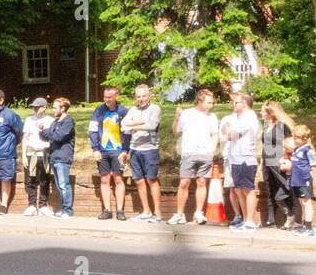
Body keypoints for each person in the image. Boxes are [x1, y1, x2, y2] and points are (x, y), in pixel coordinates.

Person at [169, 88, 219, 225]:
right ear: (200, 101)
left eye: (212, 103)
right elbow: (175, 131)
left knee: (202, 182)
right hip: (188, 153)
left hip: (205, 154)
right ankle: (179, 214)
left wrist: (212, 151)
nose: (211, 105)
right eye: (208, 102)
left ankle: (199, 212)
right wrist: (176, 117)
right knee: (184, 183)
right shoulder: (187, 114)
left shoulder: (212, 117)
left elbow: (215, 135)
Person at [121, 84, 162, 221]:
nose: (141, 99)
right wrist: (141, 122)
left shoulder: (155, 108)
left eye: (144, 96)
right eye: (138, 96)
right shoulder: (133, 109)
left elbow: (152, 126)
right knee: (138, 180)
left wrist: (132, 125)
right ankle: (146, 211)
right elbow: (123, 124)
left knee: (151, 179)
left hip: (150, 148)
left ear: (149, 95)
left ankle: (157, 213)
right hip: (134, 148)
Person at [220, 92, 260, 231]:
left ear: (244, 103)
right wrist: (227, 129)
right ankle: (245, 220)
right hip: (235, 158)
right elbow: (226, 135)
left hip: (245, 159)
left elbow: (229, 134)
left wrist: (228, 128)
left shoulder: (249, 118)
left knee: (247, 190)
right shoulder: (239, 118)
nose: (233, 104)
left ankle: (250, 222)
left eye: (236, 102)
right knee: (239, 190)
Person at [89, 87, 129, 220]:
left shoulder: (123, 111)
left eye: (109, 97)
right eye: (105, 97)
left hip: (118, 151)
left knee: (118, 179)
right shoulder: (99, 110)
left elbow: (128, 132)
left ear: (116, 96)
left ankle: (120, 211)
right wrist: (95, 149)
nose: (107, 100)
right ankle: (106, 210)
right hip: (103, 150)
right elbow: (93, 130)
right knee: (104, 180)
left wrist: (125, 150)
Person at [260, 101, 294, 228]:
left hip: (277, 161)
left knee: (282, 186)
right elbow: (265, 145)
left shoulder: (281, 126)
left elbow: (288, 144)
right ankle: (271, 219)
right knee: (270, 189)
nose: (261, 113)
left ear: (271, 112)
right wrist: (262, 163)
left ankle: (290, 216)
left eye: (263, 110)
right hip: (267, 161)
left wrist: (285, 160)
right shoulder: (267, 125)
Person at [42, 97, 75, 218]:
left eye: (55, 107)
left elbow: (59, 136)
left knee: (64, 184)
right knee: (59, 185)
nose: (53, 110)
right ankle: (63, 209)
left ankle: (68, 211)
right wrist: (44, 131)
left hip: (63, 157)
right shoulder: (55, 122)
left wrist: (47, 132)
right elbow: (45, 136)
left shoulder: (68, 121)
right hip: (54, 157)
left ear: (63, 108)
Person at [21, 97, 55, 216]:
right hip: (31, 152)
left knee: (44, 179)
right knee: (30, 179)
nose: (35, 109)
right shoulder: (29, 120)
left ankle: (43, 205)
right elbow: (25, 138)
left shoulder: (50, 120)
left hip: (44, 152)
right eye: (33, 107)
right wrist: (24, 156)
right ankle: (31, 205)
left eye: (37, 107)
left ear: (44, 107)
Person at [283, 124, 316, 237]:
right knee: (302, 202)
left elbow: (313, 165)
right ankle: (304, 225)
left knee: (307, 203)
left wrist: (305, 174)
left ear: (305, 138)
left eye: (297, 138)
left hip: (304, 180)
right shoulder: (297, 150)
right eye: (294, 138)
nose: (295, 140)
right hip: (296, 180)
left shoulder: (307, 150)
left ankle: (309, 228)